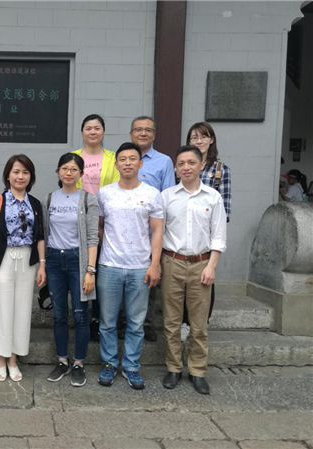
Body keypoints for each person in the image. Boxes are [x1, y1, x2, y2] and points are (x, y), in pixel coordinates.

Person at [96, 142, 164, 390]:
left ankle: (132, 367)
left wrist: (154, 264)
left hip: (139, 267)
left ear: (140, 163)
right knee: (107, 321)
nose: (127, 163)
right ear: (116, 165)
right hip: (109, 266)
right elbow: (99, 227)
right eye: (122, 159)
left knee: (136, 323)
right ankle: (109, 363)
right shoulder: (104, 193)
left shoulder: (152, 194)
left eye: (132, 159)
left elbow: (157, 231)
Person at [161, 146, 227, 395]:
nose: (186, 167)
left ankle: (198, 371)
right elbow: (158, 233)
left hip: (202, 264)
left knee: (199, 324)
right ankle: (174, 368)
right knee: (171, 322)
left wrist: (212, 266)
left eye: (191, 162)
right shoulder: (166, 196)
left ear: (201, 165)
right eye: (181, 163)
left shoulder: (213, 197)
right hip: (172, 262)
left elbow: (218, 236)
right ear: (176, 168)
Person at [0, 155, 47, 382]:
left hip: (27, 260)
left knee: (22, 310)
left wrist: (42, 265)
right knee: (3, 309)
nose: (20, 176)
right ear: (8, 175)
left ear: (31, 177)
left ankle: (14, 359)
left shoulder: (35, 204)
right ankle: (1, 358)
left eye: (25, 172)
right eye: (16, 172)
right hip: (4, 259)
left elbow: (40, 237)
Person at [42, 153, 99, 387]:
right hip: (54, 260)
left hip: (78, 261)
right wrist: (43, 264)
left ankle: (79, 363)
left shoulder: (88, 199)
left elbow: (93, 237)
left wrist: (90, 270)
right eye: (65, 168)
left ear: (81, 174)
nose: (69, 173)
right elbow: (44, 234)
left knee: (80, 314)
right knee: (58, 314)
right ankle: (62, 360)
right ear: (58, 171)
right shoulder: (49, 199)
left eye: (74, 169)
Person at [181, 122, 232, 341]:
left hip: (207, 236)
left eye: (203, 137)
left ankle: (202, 322)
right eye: (194, 137)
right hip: (183, 233)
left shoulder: (220, 169)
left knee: (206, 279)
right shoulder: (183, 165)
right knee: (182, 283)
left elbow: (225, 209)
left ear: (211, 140)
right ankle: (184, 322)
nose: (199, 141)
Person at [71, 114, 120, 342]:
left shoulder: (113, 158)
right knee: (81, 270)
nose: (93, 132)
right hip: (79, 223)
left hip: (106, 223)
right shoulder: (74, 157)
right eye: (88, 128)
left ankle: (98, 319)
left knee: (100, 271)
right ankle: (81, 316)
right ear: (82, 132)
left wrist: (101, 222)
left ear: (103, 131)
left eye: (97, 128)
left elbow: (116, 191)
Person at [129, 115, 175, 342]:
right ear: (131, 134)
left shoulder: (164, 161)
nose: (143, 133)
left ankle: (145, 323)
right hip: (124, 232)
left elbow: (167, 199)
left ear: (154, 135)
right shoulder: (122, 157)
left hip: (150, 233)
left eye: (148, 130)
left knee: (149, 279)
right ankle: (123, 321)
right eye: (138, 129)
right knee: (123, 277)